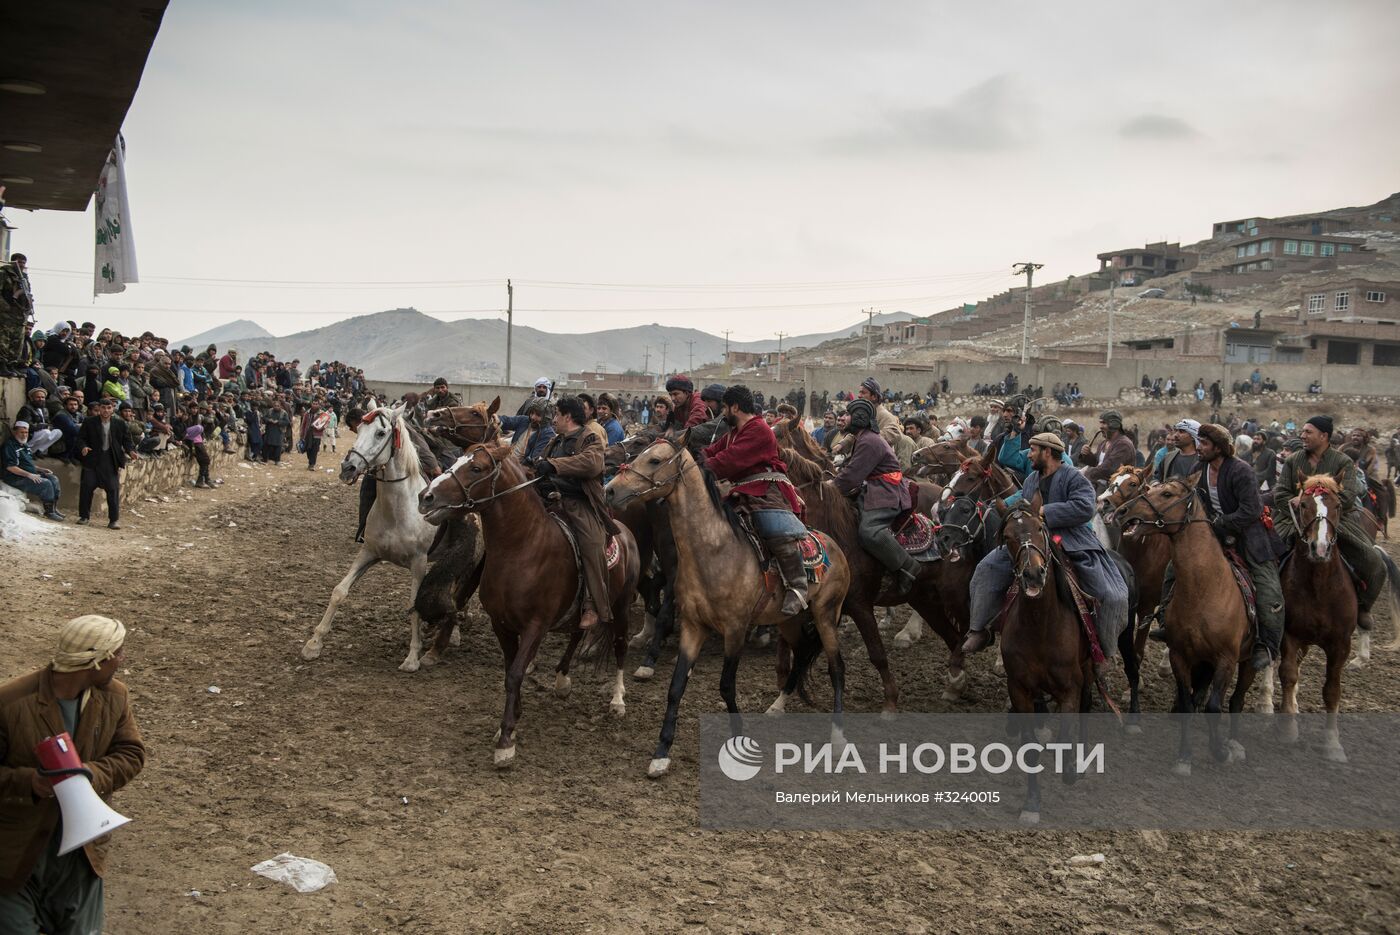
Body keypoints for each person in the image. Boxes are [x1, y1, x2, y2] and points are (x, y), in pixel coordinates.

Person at [0, 615, 145, 934]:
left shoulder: (115, 697)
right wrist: (31, 783)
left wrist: (90, 773)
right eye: (117, 653)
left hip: (82, 857)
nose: (121, 660)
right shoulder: (10, 703)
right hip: (17, 854)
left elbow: (131, 754)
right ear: (96, 662)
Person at [962, 432, 1129, 663]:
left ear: (1047, 452)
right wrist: (1009, 508)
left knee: (1109, 593)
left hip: (1071, 539)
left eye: (1033, 450)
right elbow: (1024, 503)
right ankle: (979, 629)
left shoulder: (1074, 478)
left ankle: (1102, 651)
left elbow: (1085, 507)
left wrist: (1045, 512)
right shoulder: (1032, 480)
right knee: (986, 567)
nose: (1029, 454)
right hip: (1031, 538)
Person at [1149, 425, 1284, 669]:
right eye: (1199, 442)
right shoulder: (1199, 468)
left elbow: (1251, 510)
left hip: (1248, 537)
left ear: (1219, 448)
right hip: (1213, 534)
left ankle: (1266, 644)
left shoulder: (1241, 471)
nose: (1199, 447)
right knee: (1173, 570)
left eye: (1204, 444)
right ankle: (1166, 624)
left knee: (1268, 587)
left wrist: (1221, 522)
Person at [700, 385, 810, 614]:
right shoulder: (733, 432)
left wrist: (701, 468)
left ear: (735, 407)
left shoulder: (759, 430)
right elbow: (711, 452)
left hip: (766, 488)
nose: (722, 414)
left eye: (725, 409)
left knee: (771, 525)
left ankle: (798, 585)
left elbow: (728, 460)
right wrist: (693, 460)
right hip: (741, 489)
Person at [1273, 416, 1386, 633]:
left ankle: (1363, 606)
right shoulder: (1293, 460)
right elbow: (1280, 492)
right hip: (1295, 520)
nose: (1302, 436)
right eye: (1303, 432)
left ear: (1323, 436)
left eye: (1308, 432)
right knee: (1265, 555)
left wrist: (1324, 507)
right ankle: (1269, 605)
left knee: (1373, 561)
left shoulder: (1342, 462)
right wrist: (1294, 501)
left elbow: (1350, 495)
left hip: (1335, 521)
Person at [534, 396, 616, 630]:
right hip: (549, 501)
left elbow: (591, 464)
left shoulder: (590, 438)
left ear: (567, 416)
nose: (554, 420)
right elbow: (541, 464)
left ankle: (593, 606)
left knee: (592, 544)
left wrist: (554, 465)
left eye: (557, 415)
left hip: (580, 504)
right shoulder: (555, 441)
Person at [832, 399, 920, 595]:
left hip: (885, 491)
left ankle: (907, 565)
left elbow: (853, 474)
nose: (843, 418)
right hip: (872, 488)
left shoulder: (870, 440)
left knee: (869, 531)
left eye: (848, 414)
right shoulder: (862, 438)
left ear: (860, 417)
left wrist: (831, 487)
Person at [76, 399, 131, 529]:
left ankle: (113, 520)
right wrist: (83, 447)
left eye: (109, 408)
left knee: (112, 490)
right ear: (99, 408)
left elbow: (127, 441)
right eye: (103, 408)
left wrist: (131, 451)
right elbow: (81, 438)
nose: (106, 411)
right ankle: (84, 516)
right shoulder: (89, 422)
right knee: (87, 488)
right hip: (92, 460)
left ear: (112, 409)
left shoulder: (120, 424)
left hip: (110, 460)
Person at [2, 423, 64, 520]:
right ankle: (49, 512)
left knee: (53, 478)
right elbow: (11, 467)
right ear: (15, 432)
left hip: (28, 474)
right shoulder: (9, 446)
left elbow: (27, 465)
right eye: (21, 432)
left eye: (26, 432)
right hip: (15, 477)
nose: (24, 435)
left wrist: (40, 469)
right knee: (46, 483)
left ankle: (53, 508)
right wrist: (29, 475)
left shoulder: (25, 445)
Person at [1082, 410, 1137, 485]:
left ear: (1114, 425)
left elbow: (1109, 468)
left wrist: (1085, 473)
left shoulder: (1123, 444)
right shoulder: (1104, 443)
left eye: (1104, 423)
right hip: (1099, 482)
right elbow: (1097, 463)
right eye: (1100, 423)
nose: (1100, 426)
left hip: (1115, 487)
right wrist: (1087, 454)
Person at [498, 396, 556, 466]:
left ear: (546, 417)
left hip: (522, 469)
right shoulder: (524, 420)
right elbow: (507, 421)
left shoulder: (548, 434)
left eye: (538, 415)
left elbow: (532, 459)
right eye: (532, 413)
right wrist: (496, 419)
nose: (533, 417)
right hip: (508, 461)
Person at [16, 388, 63, 456]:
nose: (41, 399)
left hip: (42, 432)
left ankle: (39, 450)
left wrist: (49, 426)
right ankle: (28, 450)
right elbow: (25, 425)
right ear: (32, 398)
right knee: (46, 432)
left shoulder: (45, 409)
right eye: (38, 397)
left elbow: (49, 423)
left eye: (42, 397)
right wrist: (42, 426)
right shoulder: (26, 409)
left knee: (58, 432)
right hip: (30, 434)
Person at [301, 401, 330, 471]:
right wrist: (302, 434)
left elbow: (327, 423)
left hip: (317, 434)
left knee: (314, 450)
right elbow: (303, 424)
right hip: (307, 434)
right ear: (311, 404)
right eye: (313, 404)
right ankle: (310, 462)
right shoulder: (307, 413)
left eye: (316, 404)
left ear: (319, 405)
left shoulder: (322, 414)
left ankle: (312, 464)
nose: (315, 405)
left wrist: (322, 428)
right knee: (308, 449)